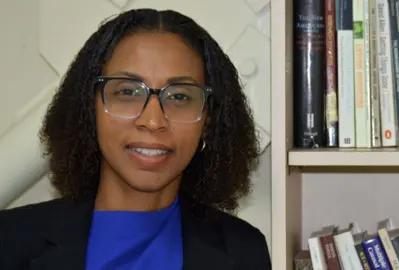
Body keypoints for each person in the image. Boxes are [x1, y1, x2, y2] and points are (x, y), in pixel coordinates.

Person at [0, 8, 271, 270]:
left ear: (208, 121)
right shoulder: (9, 242)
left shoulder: (243, 251)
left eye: (179, 96)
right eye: (128, 92)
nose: (153, 121)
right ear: (89, 108)